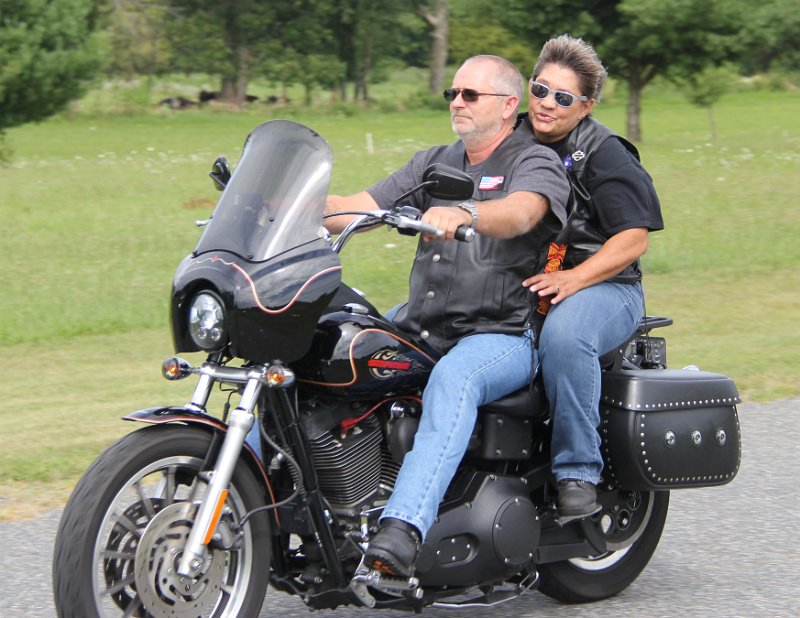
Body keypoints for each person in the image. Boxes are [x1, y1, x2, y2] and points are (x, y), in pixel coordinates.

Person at [325, 55, 570, 576]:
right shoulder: (434, 163)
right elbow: (358, 206)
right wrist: (284, 205)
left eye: (470, 94)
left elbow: (522, 212)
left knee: (454, 380)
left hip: (501, 332)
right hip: (423, 324)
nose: (457, 102)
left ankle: (403, 529)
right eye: (452, 93)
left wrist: (468, 213)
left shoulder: (535, 161)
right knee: (334, 346)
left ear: (508, 105)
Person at [517, 35, 664, 521]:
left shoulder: (604, 153)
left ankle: (577, 470)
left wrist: (575, 278)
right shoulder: (510, 138)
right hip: (529, 280)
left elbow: (633, 240)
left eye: (563, 98)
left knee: (566, 336)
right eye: (540, 89)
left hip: (607, 286)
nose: (546, 104)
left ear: (585, 107)